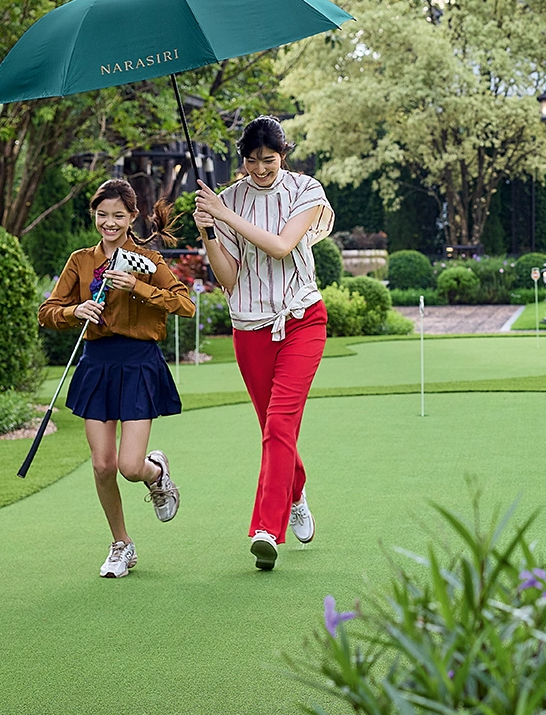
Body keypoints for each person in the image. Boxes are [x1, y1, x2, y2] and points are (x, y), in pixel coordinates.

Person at [192, 115, 334, 571]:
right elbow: (230, 279)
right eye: (251, 161)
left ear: (283, 156)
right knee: (272, 428)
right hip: (249, 327)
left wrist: (223, 213)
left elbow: (280, 246)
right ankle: (295, 490)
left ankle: (265, 529)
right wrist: (209, 232)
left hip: (301, 320)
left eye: (268, 160)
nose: (260, 169)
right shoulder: (228, 200)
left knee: (279, 424)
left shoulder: (305, 191)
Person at [38, 179, 195, 578]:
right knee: (103, 466)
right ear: (95, 215)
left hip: (139, 363)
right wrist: (75, 312)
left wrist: (138, 287)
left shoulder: (149, 260)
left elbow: (185, 305)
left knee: (128, 465)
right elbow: (48, 310)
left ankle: (156, 472)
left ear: (132, 218)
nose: (109, 223)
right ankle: (122, 545)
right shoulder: (80, 260)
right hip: (97, 364)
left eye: (118, 216)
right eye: (102, 215)